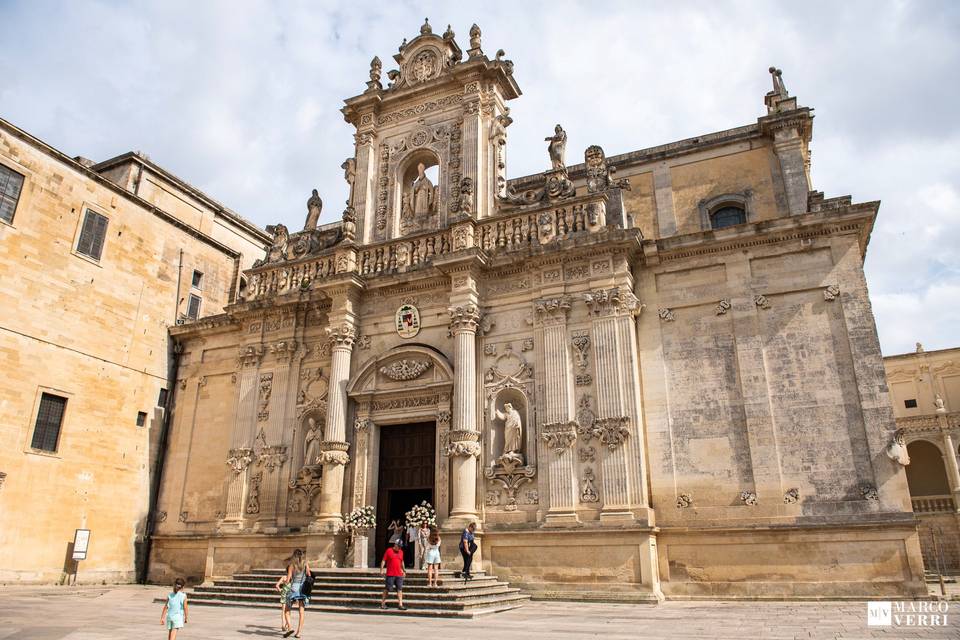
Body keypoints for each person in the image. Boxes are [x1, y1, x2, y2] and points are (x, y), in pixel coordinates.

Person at [284, 549, 311, 638]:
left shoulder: (292, 565)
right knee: (301, 612)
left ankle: (290, 628)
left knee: (287, 610)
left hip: (294, 589)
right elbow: (309, 575)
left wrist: (284, 584)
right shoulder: (306, 564)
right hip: (303, 589)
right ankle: (298, 633)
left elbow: (288, 580)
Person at [380, 539, 407, 610]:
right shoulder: (389, 551)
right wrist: (381, 570)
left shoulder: (401, 552)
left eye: (400, 546)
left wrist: (404, 570)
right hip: (390, 574)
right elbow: (383, 560)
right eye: (399, 546)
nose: (400, 548)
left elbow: (402, 562)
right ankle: (383, 603)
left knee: (400, 589)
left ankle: (400, 604)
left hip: (399, 574)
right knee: (387, 589)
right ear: (395, 545)